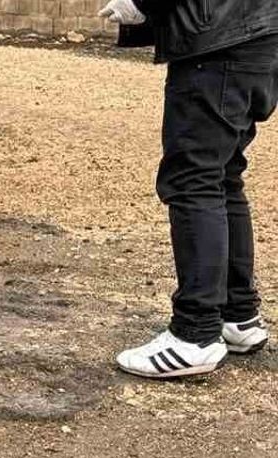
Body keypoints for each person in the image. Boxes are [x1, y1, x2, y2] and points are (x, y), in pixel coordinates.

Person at [100, 0, 278, 378]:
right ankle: (238, 315)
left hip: (218, 44)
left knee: (194, 179)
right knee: (223, 175)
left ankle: (195, 334)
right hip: (260, 37)